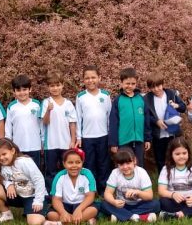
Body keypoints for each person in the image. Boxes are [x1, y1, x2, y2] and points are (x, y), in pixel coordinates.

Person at [0, 138, 48, 225]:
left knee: (35, 223)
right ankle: (7, 214)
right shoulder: (1, 166)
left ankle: (47, 211)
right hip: (18, 194)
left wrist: (38, 201)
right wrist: (9, 185)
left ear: (12, 151)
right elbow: (4, 178)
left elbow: (39, 179)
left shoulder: (24, 162)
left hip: (33, 196)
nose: (1, 158)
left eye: (4, 154)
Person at [75, 65, 112, 195]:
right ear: (83, 80)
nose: (90, 80)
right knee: (89, 164)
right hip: (87, 137)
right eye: (87, 78)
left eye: (93, 77)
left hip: (103, 135)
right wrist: (79, 137)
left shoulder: (106, 95)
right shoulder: (80, 97)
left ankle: (103, 189)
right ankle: (92, 189)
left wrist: (111, 136)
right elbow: (78, 118)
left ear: (99, 78)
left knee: (103, 163)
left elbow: (109, 117)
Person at [157, 137, 192, 220]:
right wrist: (172, 195)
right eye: (177, 154)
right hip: (175, 202)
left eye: (184, 153)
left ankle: (176, 215)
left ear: (188, 153)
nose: (181, 156)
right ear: (171, 154)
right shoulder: (166, 169)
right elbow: (161, 191)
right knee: (162, 202)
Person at [44, 148, 99, 225]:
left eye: (78, 162)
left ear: (82, 162)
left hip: (83, 205)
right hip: (65, 206)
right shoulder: (59, 176)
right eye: (70, 162)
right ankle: (84, 221)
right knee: (51, 214)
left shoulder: (87, 174)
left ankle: (61, 224)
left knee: (93, 210)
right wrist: (63, 212)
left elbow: (90, 196)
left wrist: (79, 209)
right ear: (64, 164)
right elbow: (56, 199)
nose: (74, 166)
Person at [101, 147, 159, 222]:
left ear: (134, 161)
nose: (125, 167)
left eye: (128, 163)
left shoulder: (141, 172)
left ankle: (121, 216)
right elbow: (107, 193)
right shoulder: (115, 173)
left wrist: (138, 192)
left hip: (140, 203)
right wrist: (114, 202)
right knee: (104, 204)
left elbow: (149, 196)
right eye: (121, 164)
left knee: (156, 204)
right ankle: (137, 217)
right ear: (117, 164)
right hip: (122, 205)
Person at [41, 72, 77, 191]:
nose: (55, 88)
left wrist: (72, 140)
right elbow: (45, 122)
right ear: (48, 87)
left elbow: (72, 123)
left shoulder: (68, 104)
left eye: (57, 85)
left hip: (66, 143)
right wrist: (48, 111)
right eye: (52, 86)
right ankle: (51, 193)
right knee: (50, 171)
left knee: (66, 169)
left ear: (62, 86)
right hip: (50, 144)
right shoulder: (46, 102)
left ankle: (66, 191)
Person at [108, 67, 151, 167]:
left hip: (139, 140)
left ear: (136, 83)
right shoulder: (118, 101)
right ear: (121, 83)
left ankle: (139, 183)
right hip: (123, 141)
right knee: (124, 165)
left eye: (133, 84)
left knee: (139, 165)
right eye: (127, 83)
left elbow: (146, 120)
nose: (130, 86)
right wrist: (113, 143)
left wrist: (147, 138)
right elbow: (113, 123)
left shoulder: (141, 99)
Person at [144, 73, 187, 172]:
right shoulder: (147, 98)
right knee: (160, 160)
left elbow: (183, 107)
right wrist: (156, 121)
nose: (156, 89)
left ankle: (176, 180)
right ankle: (163, 182)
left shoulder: (171, 94)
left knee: (175, 158)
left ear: (162, 84)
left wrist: (177, 106)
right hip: (158, 135)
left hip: (173, 134)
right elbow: (146, 116)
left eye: (158, 86)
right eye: (152, 87)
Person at [5, 74, 43, 168]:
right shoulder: (11, 107)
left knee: (35, 172)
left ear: (30, 89)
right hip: (18, 147)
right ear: (14, 91)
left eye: (24, 89)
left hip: (35, 146)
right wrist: (9, 145)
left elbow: (42, 125)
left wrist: (43, 142)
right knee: (20, 173)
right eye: (18, 90)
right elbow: (8, 128)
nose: (22, 93)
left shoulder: (37, 105)